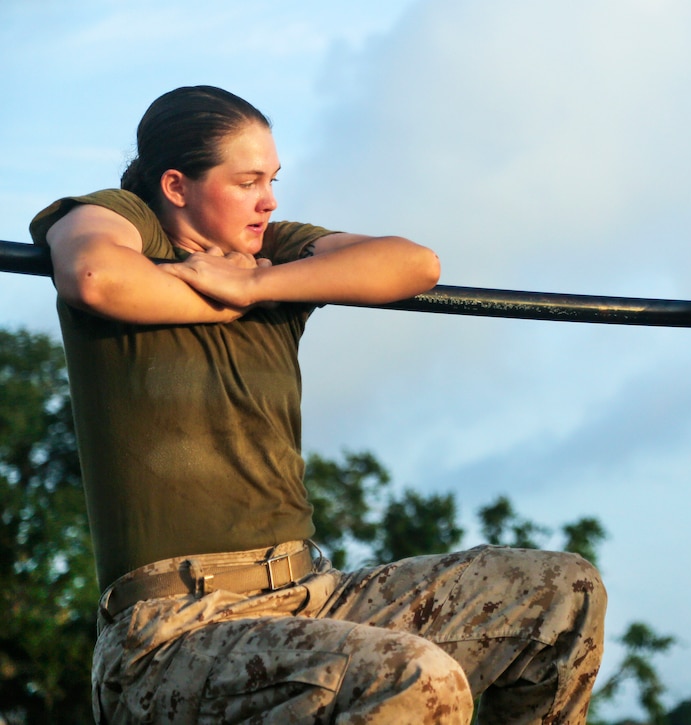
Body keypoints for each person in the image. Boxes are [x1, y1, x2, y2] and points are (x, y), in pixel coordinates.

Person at [30, 85, 605, 724]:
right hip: (173, 632)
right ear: (175, 186)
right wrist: (225, 295)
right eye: (248, 181)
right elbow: (93, 275)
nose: (268, 198)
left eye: (272, 179)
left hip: (313, 598)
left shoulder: (273, 251)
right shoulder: (127, 221)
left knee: (561, 594)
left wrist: (258, 283)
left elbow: (415, 264)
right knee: (417, 680)